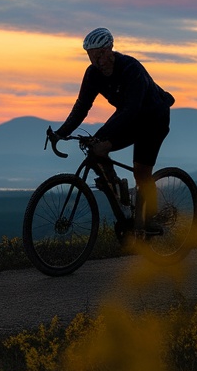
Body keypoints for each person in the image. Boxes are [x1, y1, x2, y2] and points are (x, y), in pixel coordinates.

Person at [49, 27, 175, 229]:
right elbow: (82, 106)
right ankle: (120, 196)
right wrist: (60, 133)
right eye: (92, 56)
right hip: (128, 116)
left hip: (153, 118)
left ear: (110, 49)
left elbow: (132, 109)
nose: (97, 61)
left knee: (141, 172)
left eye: (101, 54)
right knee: (95, 147)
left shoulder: (130, 68)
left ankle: (150, 218)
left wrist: (108, 141)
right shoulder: (93, 75)